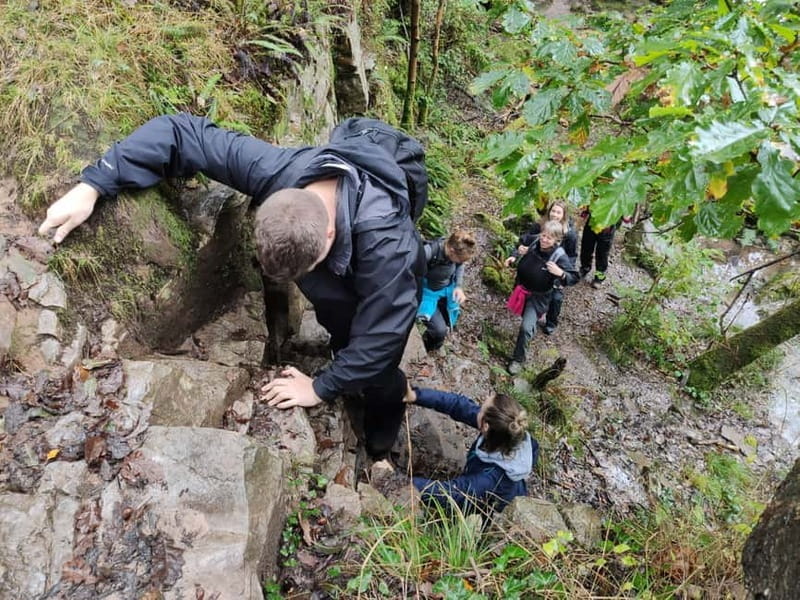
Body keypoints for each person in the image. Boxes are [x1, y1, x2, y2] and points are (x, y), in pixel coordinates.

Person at [37, 112, 426, 457]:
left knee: (377, 367)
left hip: (379, 258)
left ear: (329, 236)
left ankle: (380, 442)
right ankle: (346, 356)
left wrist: (320, 388)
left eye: (308, 269)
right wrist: (93, 185)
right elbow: (182, 132)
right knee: (342, 328)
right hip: (344, 246)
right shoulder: (278, 171)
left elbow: (383, 337)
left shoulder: (389, 250)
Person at [404, 383, 537, 514]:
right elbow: (459, 406)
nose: (477, 410)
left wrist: (400, 483)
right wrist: (416, 395)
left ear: (485, 426)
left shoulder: (488, 480)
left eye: (482, 409)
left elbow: (449, 493)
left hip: (490, 511)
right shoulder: (504, 431)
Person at [504, 220, 578, 375]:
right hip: (521, 288)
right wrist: (514, 255)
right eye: (543, 235)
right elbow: (520, 243)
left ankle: (518, 359)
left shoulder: (559, 256)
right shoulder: (534, 241)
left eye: (549, 238)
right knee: (524, 319)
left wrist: (561, 273)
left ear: (556, 240)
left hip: (537, 298)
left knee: (525, 328)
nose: (544, 240)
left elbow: (574, 277)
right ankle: (529, 330)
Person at [506, 200, 577, 334]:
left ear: (564, 215)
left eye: (559, 212)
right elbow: (524, 241)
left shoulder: (570, 234)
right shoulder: (539, 226)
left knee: (556, 298)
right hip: (535, 264)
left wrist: (562, 274)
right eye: (553, 211)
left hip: (555, 268)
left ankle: (551, 322)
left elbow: (572, 256)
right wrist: (517, 253)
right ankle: (526, 316)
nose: (555, 215)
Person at [417, 230, 477, 352]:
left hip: (446, 289)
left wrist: (458, 286)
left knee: (449, 318)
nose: (460, 263)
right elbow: (410, 270)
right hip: (427, 292)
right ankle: (425, 349)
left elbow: (460, 266)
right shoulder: (429, 252)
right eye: (459, 260)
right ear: (451, 251)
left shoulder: (454, 255)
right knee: (439, 331)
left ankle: (433, 344)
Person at [579, 208, 618, 289]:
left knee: (602, 253)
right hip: (594, 219)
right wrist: (585, 211)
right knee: (586, 246)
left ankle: (599, 277)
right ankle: (584, 268)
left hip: (608, 224)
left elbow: (626, 217)